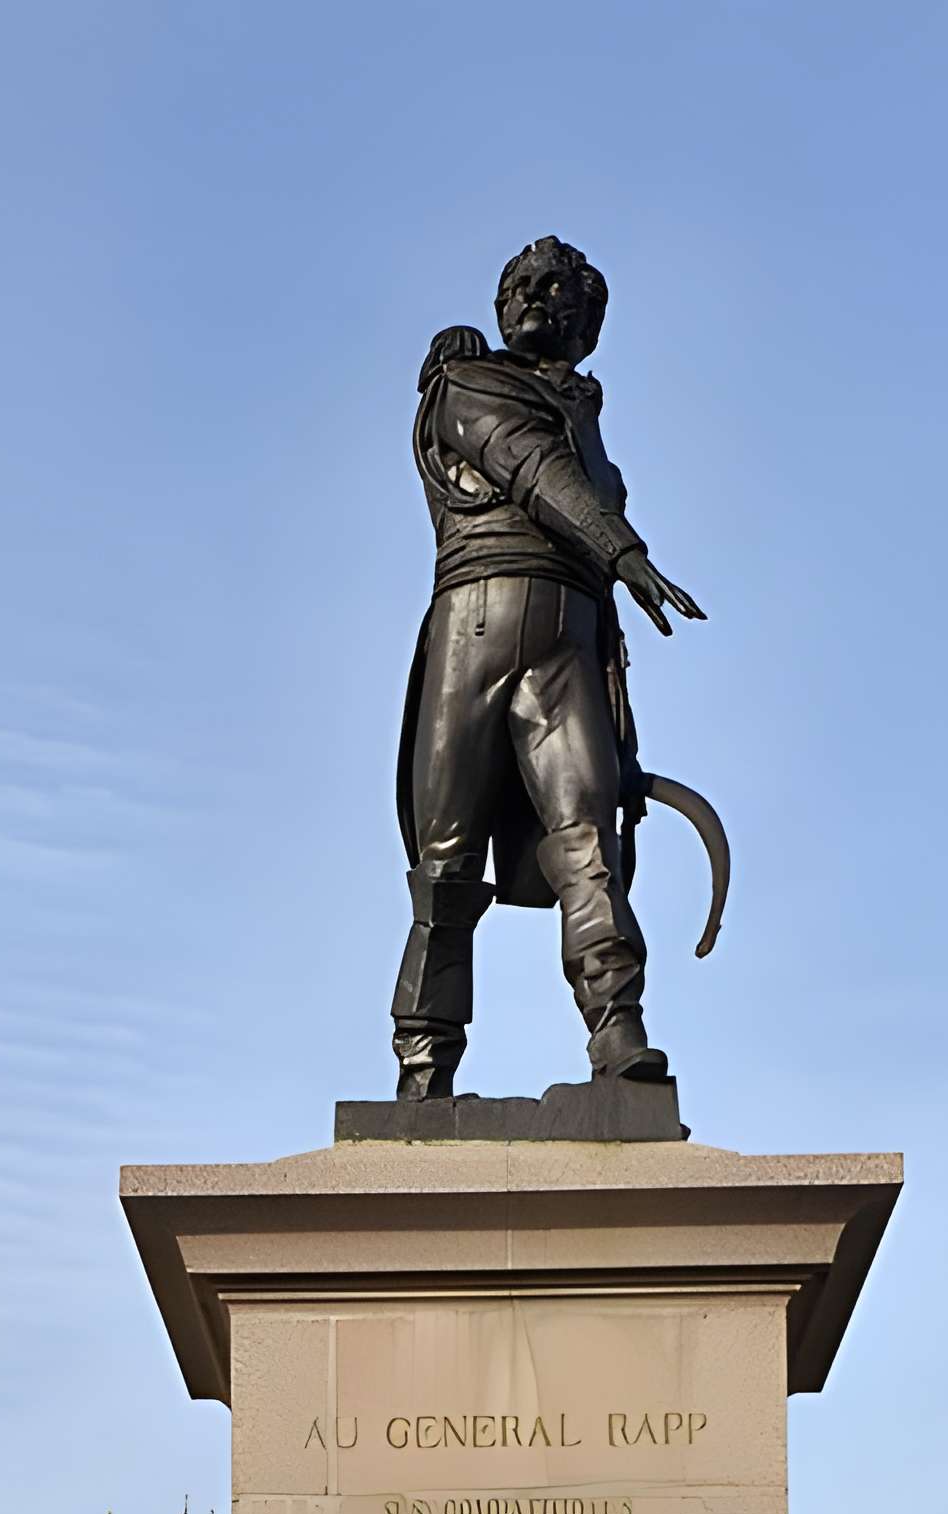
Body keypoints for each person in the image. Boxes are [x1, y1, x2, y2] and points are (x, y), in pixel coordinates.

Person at [390, 236, 704, 1098]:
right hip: (475, 618)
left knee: (587, 840)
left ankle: (620, 1033)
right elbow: (531, 468)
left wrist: (624, 734)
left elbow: (578, 497)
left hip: (569, 637)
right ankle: (425, 1066)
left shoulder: (587, 425)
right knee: (447, 861)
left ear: (586, 318)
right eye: (518, 283)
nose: (531, 294)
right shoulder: (469, 382)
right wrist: (625, 550)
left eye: (554, 286)